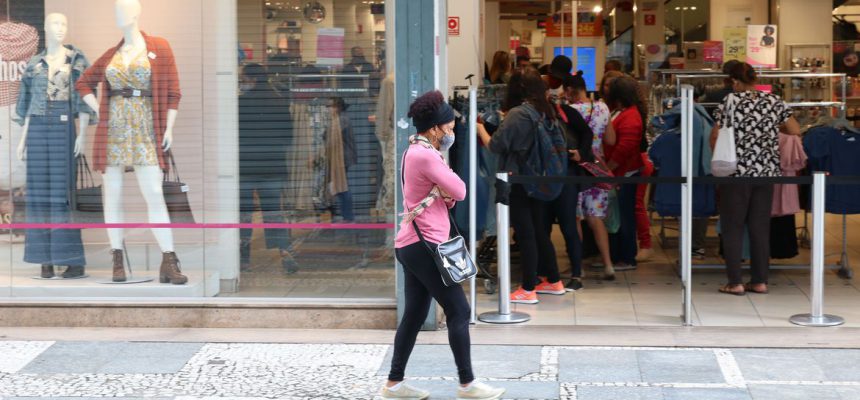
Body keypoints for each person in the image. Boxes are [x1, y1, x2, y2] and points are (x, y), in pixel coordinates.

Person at [383, 91, 506, 400]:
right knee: (459, 311)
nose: (452, 131)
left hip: (413, 243)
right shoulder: (426, 155)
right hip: (426, 245)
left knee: (414, 314)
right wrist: (445, 173)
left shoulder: (415, 150)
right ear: (436, 127)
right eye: (449, 127)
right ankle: (467, 384)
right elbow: (460, 190)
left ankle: (393, 384)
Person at [710, 63, 801, 296]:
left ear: (735, 81)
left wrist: (717, 156)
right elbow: (794, 129)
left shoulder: (730, 102)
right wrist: (769, 128)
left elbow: (716, 135)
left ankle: (735, 282)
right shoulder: (774, 101)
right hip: (767, 172)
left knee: (733, 227)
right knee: (760, 227)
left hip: (736, 173)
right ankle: (760, 281)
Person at [477, 67, 564, 304]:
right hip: (538, 179)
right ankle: (554, 280)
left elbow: (495, 145)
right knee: (538, 230)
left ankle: (528, 288)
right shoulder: (546, 111)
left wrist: (479, 128)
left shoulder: (518, 114)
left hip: (519, 180)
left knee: (525, 234)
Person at [237, 63, 298, 274]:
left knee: (244, 214)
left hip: (245, 167)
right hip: (273, 166)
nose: (241, 83)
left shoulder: (241, 103)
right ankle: (284, 250)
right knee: (274, 212)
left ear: (251, 80)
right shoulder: (279, 102)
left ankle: (243, 258)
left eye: (243, 79)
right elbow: (288, 137)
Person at [566, 71, 615, 282]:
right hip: (596, 169)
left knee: (575, 217)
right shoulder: (603, 107)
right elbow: (611, 140)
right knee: (596, 219)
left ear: (569, 91)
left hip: (576, 169)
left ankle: (578, 267)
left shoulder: (569, 111)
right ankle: (608, 264)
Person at [555, 72, 598, 290]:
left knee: (568, 225)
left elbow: (586, 134)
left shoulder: (565, 112)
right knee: (549, 226)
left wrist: (581, 153)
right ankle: (552, 273)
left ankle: (576, 273)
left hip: (567, 173)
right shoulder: (535, 113)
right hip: (551, 175)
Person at [603, 75, 647, 271]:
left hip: (624, 173)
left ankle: (627, 257)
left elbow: (625, 148)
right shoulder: (622, 112)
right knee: (617, 214)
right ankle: (617, 255)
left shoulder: (630, 116)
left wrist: (608, 168)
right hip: (620, 172)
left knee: (624, 215)